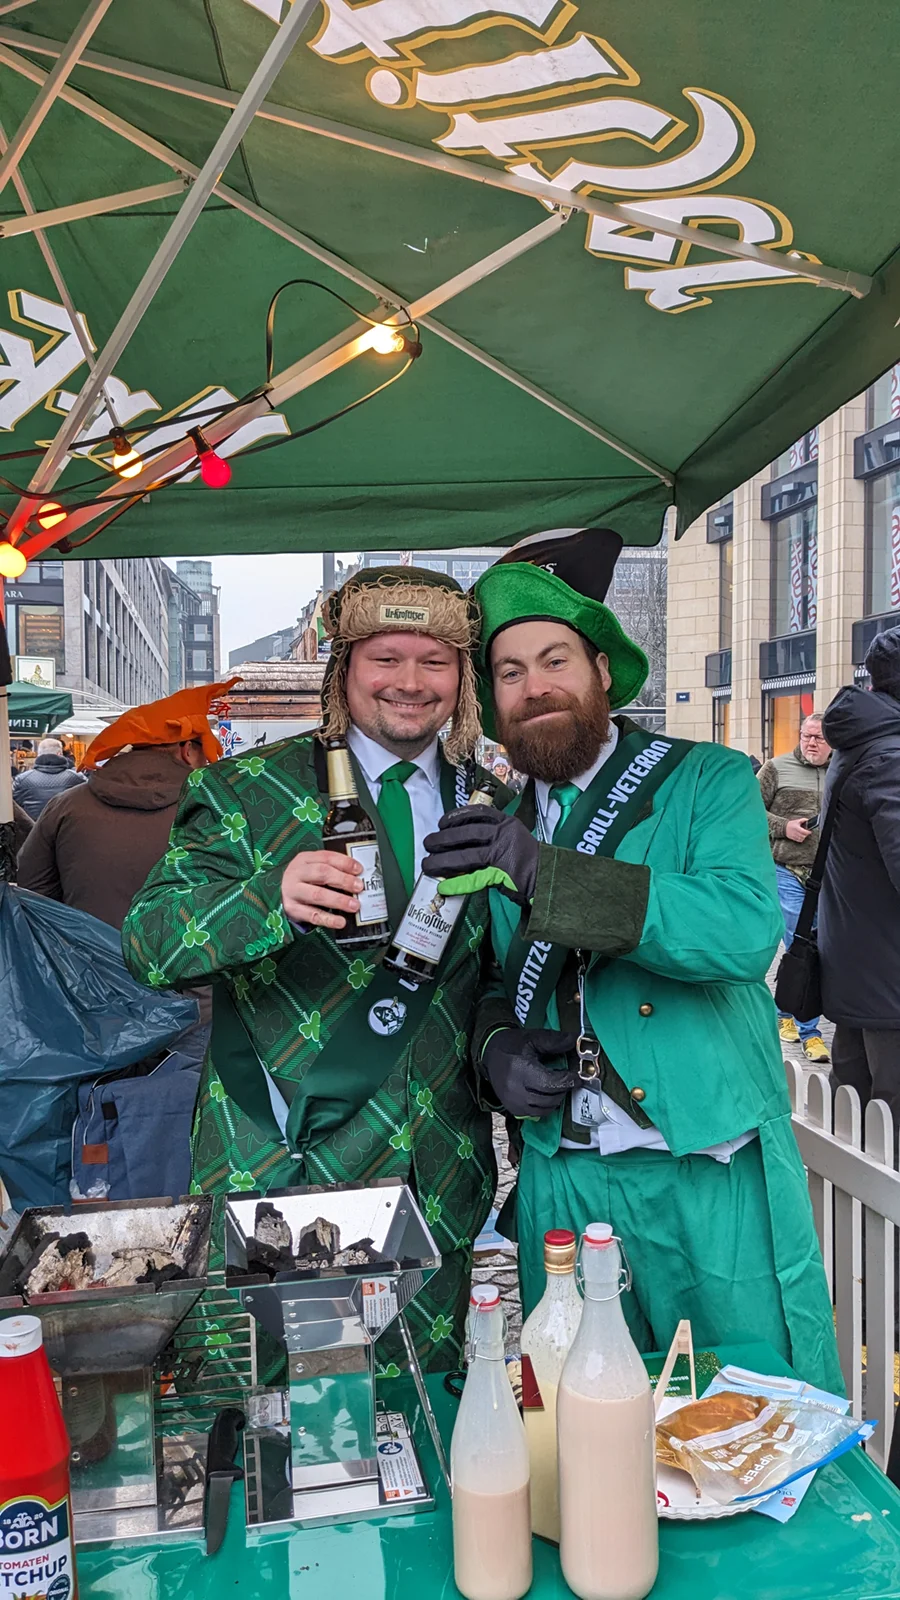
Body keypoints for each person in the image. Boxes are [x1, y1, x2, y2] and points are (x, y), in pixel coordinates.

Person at [423, 527, 840, 1393]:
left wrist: (548, 870)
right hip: (565, 1180)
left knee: (752, 1411)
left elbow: (737, 933)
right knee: (581, 1433)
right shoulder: (493, 816)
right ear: (493, 702)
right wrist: (494, 1045)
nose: (536, 688)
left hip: (706, 1166)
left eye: (556, 661)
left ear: (603, 672)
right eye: (509, 673)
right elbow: (492, 981)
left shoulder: (707, 780)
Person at [122, 567, 504, 1370]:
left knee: (420, 1415)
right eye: (386, 658)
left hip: (437, 1165)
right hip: (283, 1157)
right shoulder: (244, 790)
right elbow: (149, 943)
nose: (410, 682)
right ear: (344, 670)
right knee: (275, 1412)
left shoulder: (491, 802)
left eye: (435, 662)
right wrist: (270, 895)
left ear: (462, 679)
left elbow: (501, 970)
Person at [17, 682, 235, 932]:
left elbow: (32, 885)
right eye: (205, 751)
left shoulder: (66, 805)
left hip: (84, 961)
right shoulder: (215, 811)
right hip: (184, 964)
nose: (207, 761)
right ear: (187, 750)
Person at [819, 627, 900, 1123]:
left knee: (856, 1121)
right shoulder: (889, 756)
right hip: (889, 981)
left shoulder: (866, 742)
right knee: (884, 1131)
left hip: (862, 971)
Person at [756, 716, 833, 1063]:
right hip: (787, 870)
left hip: (829, 876)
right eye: (805, 736)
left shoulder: (841, 770)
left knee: (815, 948)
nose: (811, 743)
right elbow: (749, 811)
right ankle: (810, 1032)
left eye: (818, 737)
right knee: (800, 945)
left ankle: (784, 1010)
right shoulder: (776, 768)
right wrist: (783, 826)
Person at [13, 736, 84, 820]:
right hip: (67, 830)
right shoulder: (77, 777)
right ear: (60, 754)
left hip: (33, 830)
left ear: (39, 754)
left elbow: (13, 807)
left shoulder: (22, 780)